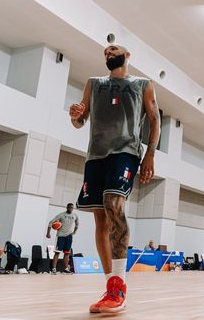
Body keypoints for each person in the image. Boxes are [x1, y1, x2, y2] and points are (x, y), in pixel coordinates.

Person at [71, 44, 160, 314]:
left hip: (126, 152)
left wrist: (150, 155)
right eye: (105, 52)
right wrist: (75, 117)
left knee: (113, 203)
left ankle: (120, 284)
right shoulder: (93, 83)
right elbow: (80, 121)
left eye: (114, 49)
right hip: (96, 154)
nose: (108, 52)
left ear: (127, 55)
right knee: (100, 218)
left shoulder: (143, 84)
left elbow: (155, 120)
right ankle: (111, 285)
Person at [46, 203, 79, 274]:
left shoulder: (75, 215)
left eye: (72, 208)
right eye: (69, 207)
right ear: (67, 207)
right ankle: (54, 269)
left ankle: (66, 269)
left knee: (67, 253)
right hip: (61, 236)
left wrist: (74, 232)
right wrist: (48, 233)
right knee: (57, 252)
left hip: (69, 237)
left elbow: (77, 224)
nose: (70, 209)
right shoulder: (61, 215)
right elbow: (51, 222)